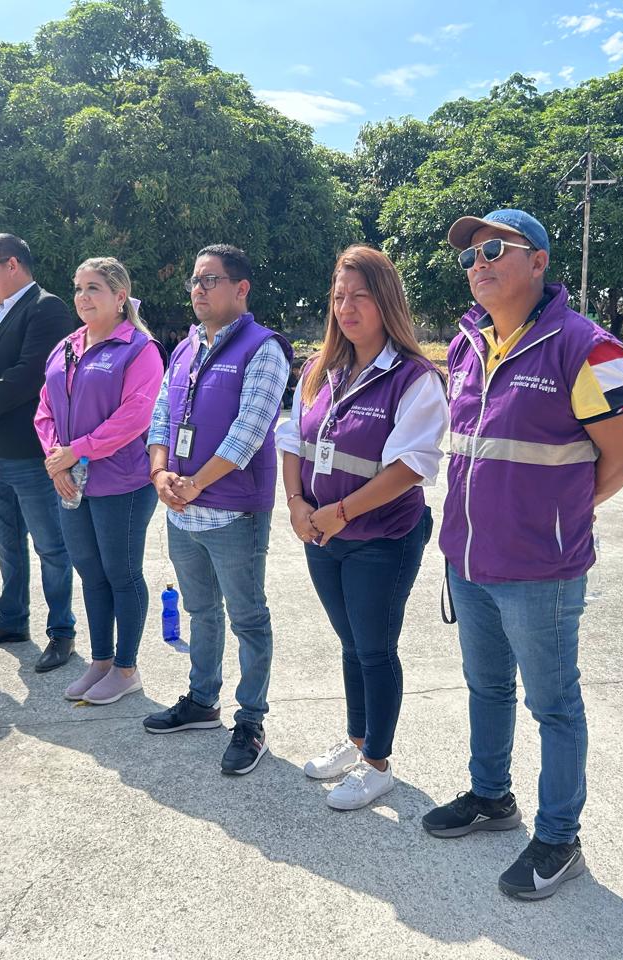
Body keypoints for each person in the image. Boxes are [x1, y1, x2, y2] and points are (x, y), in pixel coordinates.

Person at [424, 209, 623, 901]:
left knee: (554, 705)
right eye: (470, 256)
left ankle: (558, 838)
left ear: (540, 261)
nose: (478, 264)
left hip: (539, 569)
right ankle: (491, 797)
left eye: (494, 249)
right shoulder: (467, 344)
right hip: (468, 559)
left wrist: (559, 517)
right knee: (487, 687)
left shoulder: (586, 348)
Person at [276, 245, 447, 810]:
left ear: (386, 301)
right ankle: (356, 741)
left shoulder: (414, 378)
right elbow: (293, 439)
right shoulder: (320, 369)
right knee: (350, 644)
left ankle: (377, 764)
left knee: (375, 649)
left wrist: (342, 512)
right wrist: (296, 503)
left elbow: (411, 466)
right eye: (339, 297)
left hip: (382, 538)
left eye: (361, 297)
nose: (346, 308)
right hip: (321, 534)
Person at [142, 244, 292, 777]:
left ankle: (250, 721)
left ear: (240, 288)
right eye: (194, 280)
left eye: (210, 280)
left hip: (232, 515)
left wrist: (193, 484)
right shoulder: (185, 348)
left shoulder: (264, 349)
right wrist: (160, 473)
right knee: (201, 612)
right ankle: (202, 700)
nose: (198, 289)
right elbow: (161, 415)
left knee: (248, 618)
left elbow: (248, 434)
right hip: (182, 512)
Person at [36, 257, 165, 705]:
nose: (83, 297)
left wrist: (78, 450)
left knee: (121, 574)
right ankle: (101, 661)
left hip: (122, 482)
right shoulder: (66, 346)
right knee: (91, 574)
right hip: (72, 481)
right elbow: (44, 408)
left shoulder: (139, 349)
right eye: (78, 288)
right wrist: (57, 459)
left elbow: (136, 415)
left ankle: (126, 669)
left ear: (119, 296)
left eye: (93, 288)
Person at [0, 233, 78, 671]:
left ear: (12, 265)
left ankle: (61, 630)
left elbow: (30, 373)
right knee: (4, 540)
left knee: (51, 546)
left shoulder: (46, 308)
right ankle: (12, 619)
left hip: (29, 452)